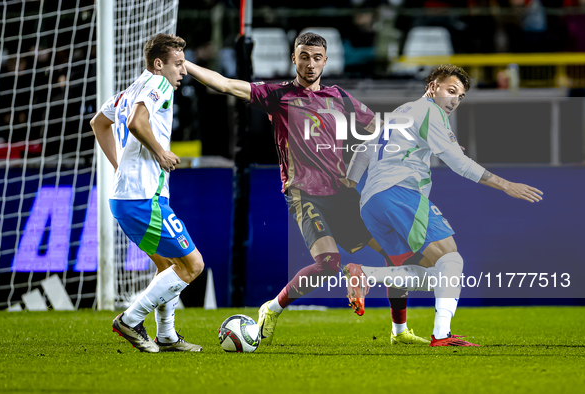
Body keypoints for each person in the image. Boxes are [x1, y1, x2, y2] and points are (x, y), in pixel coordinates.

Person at [185, 32, 428, 346]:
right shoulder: (279, 95)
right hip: (304, 193)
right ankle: (271, 309)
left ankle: (399, 332)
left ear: (325, 61)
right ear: (293, 59)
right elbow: (226, 84)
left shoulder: (339, 97)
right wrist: (186, 64)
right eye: (304, 56)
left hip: (342, 194)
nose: (310, 64)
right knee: (328, 263)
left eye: (316, 58)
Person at [343, 64, 543, 347]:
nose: (454, 101)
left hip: (371, 203)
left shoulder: (401, 112)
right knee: (451, 258)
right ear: (433, 86)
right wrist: (506, 185)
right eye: (450, 91)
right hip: (400, 193)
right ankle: (441, 335)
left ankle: (367, 276)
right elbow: (459, 165)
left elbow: (364, 149)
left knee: (431, 272)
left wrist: (350, 184)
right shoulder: (430, 111)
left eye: (460, 97)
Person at [90, 34, 204, 353]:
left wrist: (118, 166)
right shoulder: (158, 84)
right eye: (178, 64)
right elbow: (138, 122)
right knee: (193, 266)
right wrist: (160, 153)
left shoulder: (129, 91)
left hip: (126, 196)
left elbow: (98, 123)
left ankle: (166, 335)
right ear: (159, 64)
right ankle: (130, 319)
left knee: (169, 266)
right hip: (143, 198)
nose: (183, 71)